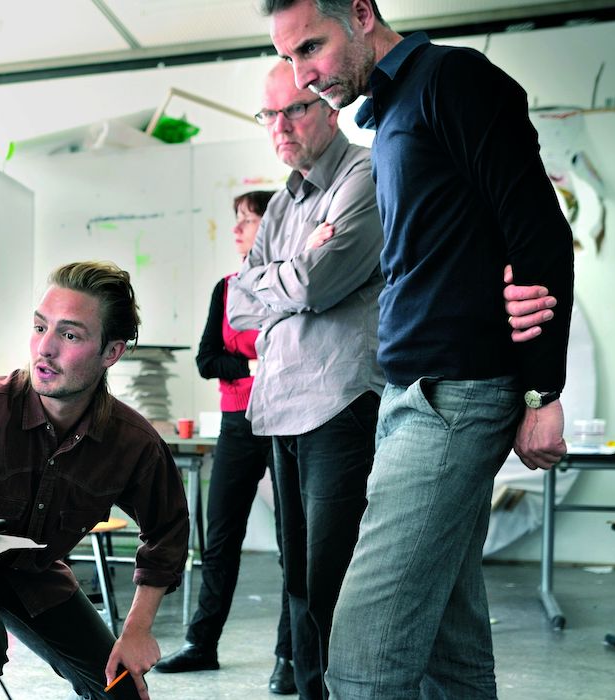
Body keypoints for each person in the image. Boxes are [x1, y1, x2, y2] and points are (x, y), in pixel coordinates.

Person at [261, 1, 574, 698]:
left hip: (451, 395)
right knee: (445, 651)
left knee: (362, 655)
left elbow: (538, 232)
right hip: (407, 394)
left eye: (309, 47)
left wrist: (539, 392)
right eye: (287, 58)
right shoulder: (392, 112)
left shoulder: (451, 79)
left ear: (361, 14)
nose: (303, 75)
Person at [0, 261, 191, 700]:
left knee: (121, 690)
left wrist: (136, 630)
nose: (45, 348)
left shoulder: (133, 443)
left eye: (70, 335)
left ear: (111, 352)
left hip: (32, 570)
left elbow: (167, 532)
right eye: (40, 327)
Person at [227, 59, 384, 700]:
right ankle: (312, 687)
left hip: (339, 401)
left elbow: (319, 283)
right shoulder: (287, 199)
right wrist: (294, 265)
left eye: (294, 109)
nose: (280, 126)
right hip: (281, 406)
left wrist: (287, 275)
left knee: (332, 574)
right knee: (296, 572)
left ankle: (340, 690)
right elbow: (239, 299)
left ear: (328, 106)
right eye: (270, 114)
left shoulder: (364, 175)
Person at [153, 189, 298, 692]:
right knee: (220, 540)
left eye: (247, 220)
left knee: (293, 545)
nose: (236, 230)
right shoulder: (227, 287)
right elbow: (207, 359)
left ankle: (291, 655)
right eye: (235, 220)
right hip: (238, 423)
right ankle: (202, 644)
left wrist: (258, 366)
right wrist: (257, 364)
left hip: (287, 421)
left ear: (273, 226)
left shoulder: (294, 284)